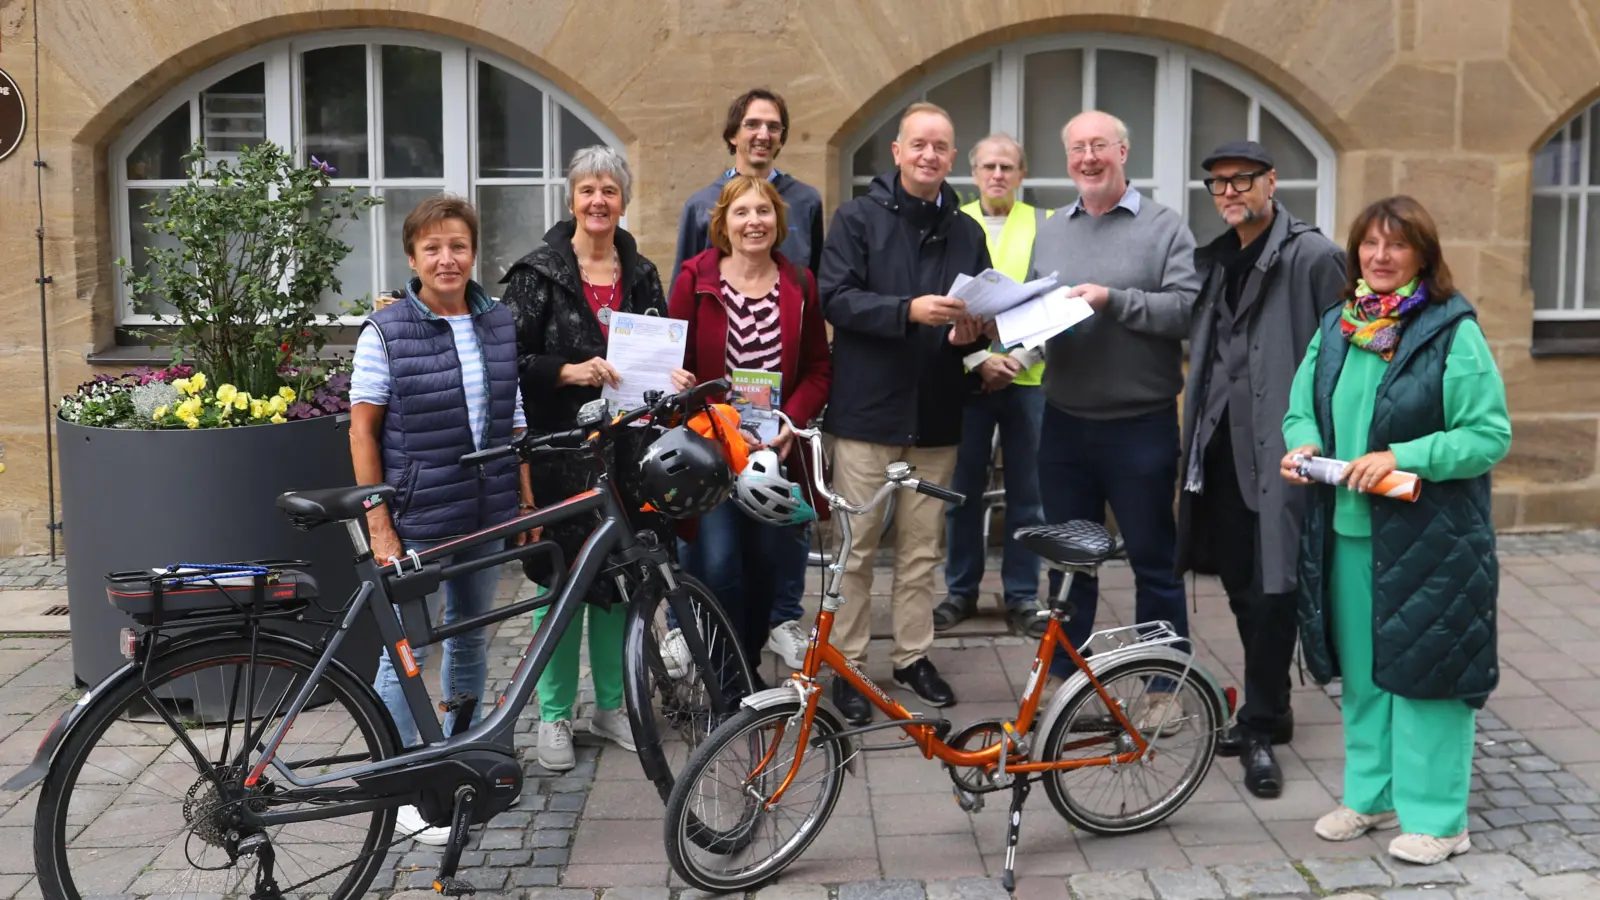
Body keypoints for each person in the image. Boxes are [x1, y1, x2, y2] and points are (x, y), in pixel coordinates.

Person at [1281, 195, 1510, 865]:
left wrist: (1404, 455)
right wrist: (1301, 446)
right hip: (1346, 533)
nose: (1380, 257)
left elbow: (1488, 435)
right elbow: (1302, 409)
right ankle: (1372, 795)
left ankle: (1441, 820)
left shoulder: (1450, 330)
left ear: (1421, 256)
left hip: (1431, 541)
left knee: (1427, 675)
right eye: (1370, 245)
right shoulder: (1339, 325)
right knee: (1364, 677)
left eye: (1397, 245)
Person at [499, 146, 691, 773]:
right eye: (588, 190)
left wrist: (675, 378)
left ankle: (610, 706)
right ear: (571, 198)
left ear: (624, 200)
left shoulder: (642, 273)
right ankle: (553, 716)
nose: (599, 201)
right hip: (560, 457)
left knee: (618, 584)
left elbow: (657, 351)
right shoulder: (537, 274)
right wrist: (568, 369)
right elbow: (511, 363)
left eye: (610, 190)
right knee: (562, 588)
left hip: (626, 454)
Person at [350, 194, 534, 844]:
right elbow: (363, 431)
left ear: (473, 252)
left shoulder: (498, 322)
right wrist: (378, 524)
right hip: (419, 515)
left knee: (469, 640)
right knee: (407, 650)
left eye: (457, 245)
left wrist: (526, 498)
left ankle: (460, 760)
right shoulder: (386, 330)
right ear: (412, 258)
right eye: (433, 248)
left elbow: (513, 417)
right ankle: (396, 778)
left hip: (485, 513)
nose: (447, 258)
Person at [1174, 140, 1347, 799]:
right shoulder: (1217, 259)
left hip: (1282, 453)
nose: (1229, 193)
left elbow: (1343, 353)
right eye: (1217, 185)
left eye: (1242, 180)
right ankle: (1269, 707)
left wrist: (1325, 445)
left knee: (1277, 587)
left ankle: (1263, 721)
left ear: (1271, 182)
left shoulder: (1312, 256)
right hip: (1219, 449)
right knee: (1244, 582)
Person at [818, 101, 991, 725]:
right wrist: (907, 312)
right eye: (919, 144)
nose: (929, 155)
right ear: (896, 152)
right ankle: (850, 666)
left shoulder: (968, 230)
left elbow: (975, 319)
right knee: (856, 549)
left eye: (941, 146)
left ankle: (914, 656)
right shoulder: (856, 218)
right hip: (866, 414)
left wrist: (973, 332)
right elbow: (834, 300)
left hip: (939, 414)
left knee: (922, 551)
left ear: (951, 156)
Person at [1028, 111, 1200, 709]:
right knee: (1069, 563)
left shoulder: (1165, 228)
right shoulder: (1052, 230)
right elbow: (1034, 310)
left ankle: (1164, 687)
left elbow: (1186, 310)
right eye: (1077, 148)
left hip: (1141, 425)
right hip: (1065, 424)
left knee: (1155, 560)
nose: (1088, 158)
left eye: (1099, 145)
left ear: (1124, 151)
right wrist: (1008, 339)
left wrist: (1114, 300)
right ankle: (1069, 683)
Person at [673, 89, 827, 671]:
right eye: (741, 212)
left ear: (778, 221)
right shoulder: (695, 278)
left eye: (763, 212)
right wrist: (683, 388)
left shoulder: (801, 286)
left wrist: (794, 422)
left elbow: (818, 367)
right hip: (714, 449)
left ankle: (751, 672)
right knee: (716, 564)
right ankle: (722, 674)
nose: (753, 221)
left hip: (775, 452)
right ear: (723, 222)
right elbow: (677, 354)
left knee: (767, 567)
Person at [936, 132, 1052, 639]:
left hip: (1029, 377)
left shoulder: (1044, 224)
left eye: (1008, 166)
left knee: (1030, 493)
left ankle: (1023, 595)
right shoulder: (955, 223)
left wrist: (1018, 356)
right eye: (989, 167)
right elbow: (945, 301)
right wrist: (982, 359)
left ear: (1022, 174)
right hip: (969, 376)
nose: (998, 175)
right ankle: (960, 591)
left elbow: (1055, 303)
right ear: (974, 172)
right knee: (961, 491)